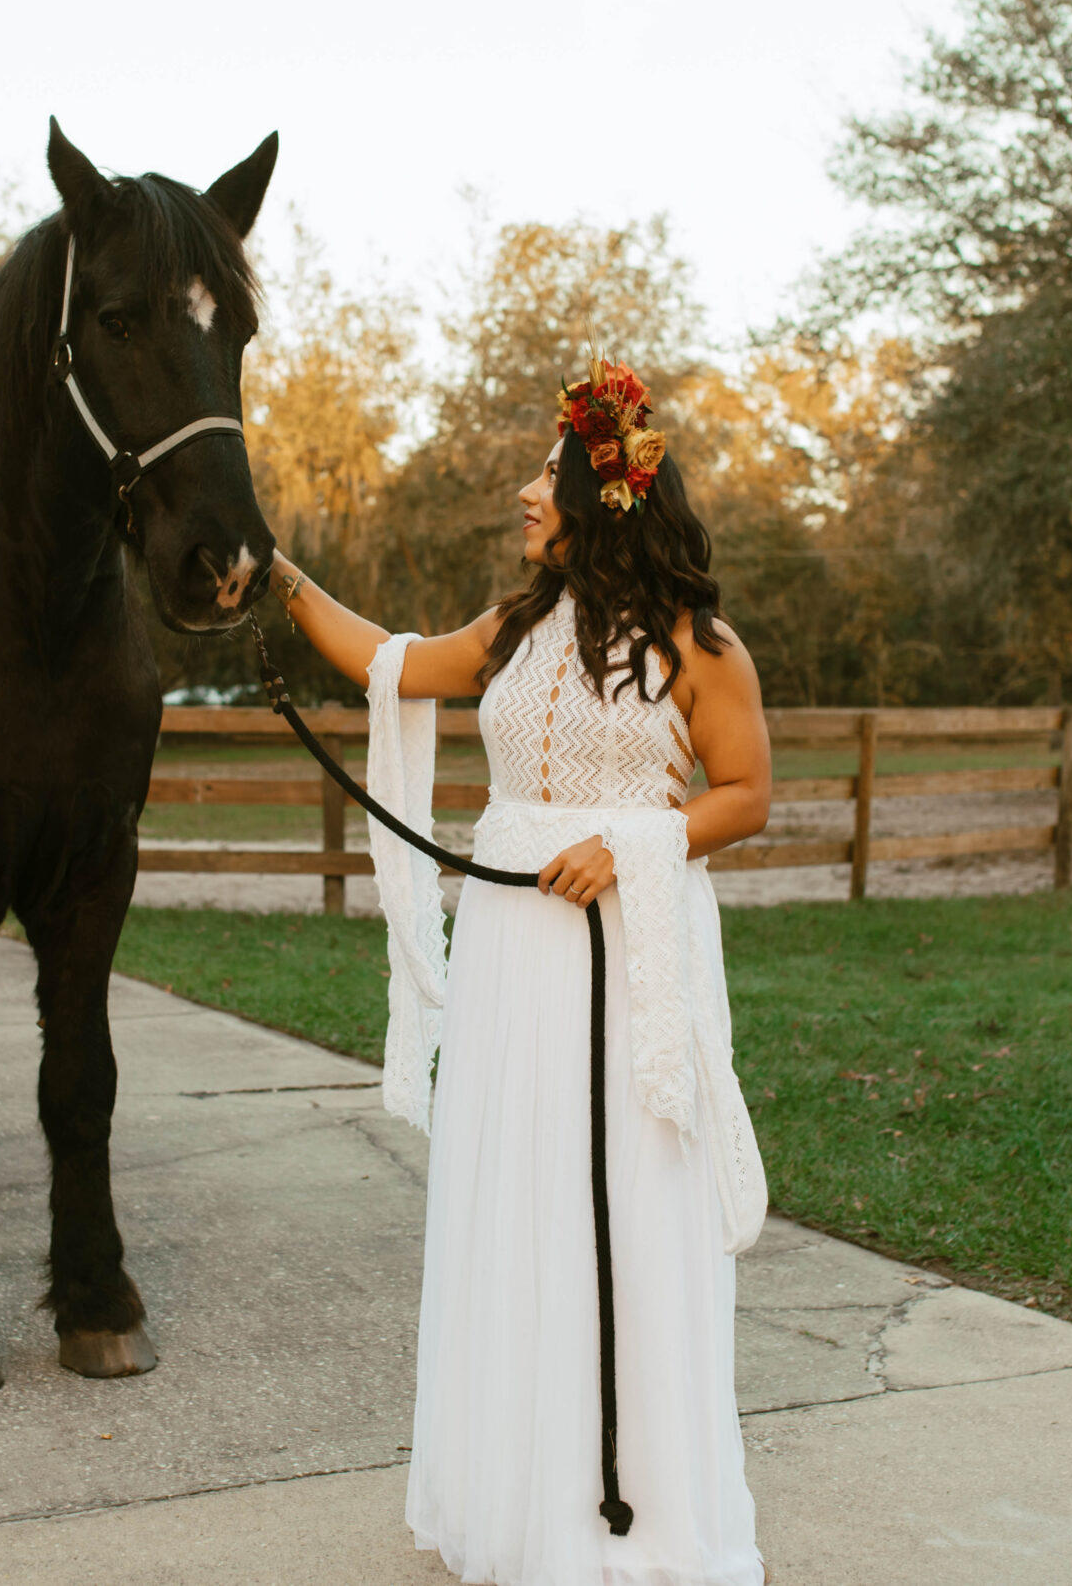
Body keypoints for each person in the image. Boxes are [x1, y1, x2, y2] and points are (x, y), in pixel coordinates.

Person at [270, 358, 771, 1586]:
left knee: (618, 1209)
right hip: (513, 957)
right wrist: (272, 573)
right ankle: (519, 1499)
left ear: (606, 494)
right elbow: (385, 660)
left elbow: (749, 795)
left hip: (620, 948)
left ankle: (635, 1516)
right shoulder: (515, 629)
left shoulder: (702, 647)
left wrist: (635, 844)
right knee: (518, 1202)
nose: (521, 492)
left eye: (543, 476)